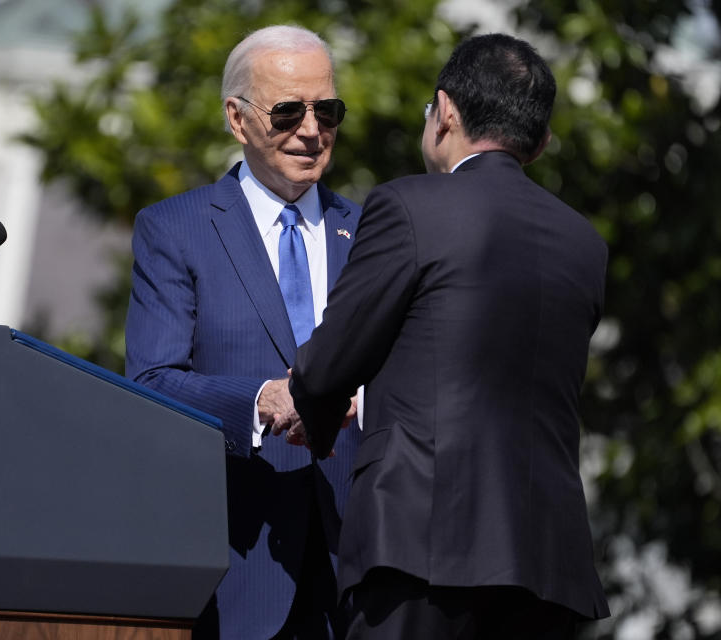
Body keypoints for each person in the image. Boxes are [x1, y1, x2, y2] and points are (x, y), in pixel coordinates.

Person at [288, 33, 610, 639]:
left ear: (446, 112)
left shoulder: (409, 206)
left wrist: (311, 406)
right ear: (539, 143)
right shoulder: (584, 245)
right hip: (546, 563)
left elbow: (329, 362)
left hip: (420, 546)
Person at [125, 25, 361, 639]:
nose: (311, 130)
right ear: (237, 119)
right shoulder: (176, 229)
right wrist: (258, 401)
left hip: (359, 571)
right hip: (238, 564)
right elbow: (151, 381)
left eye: (327, 110)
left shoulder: (372, 233)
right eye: (287, 111)